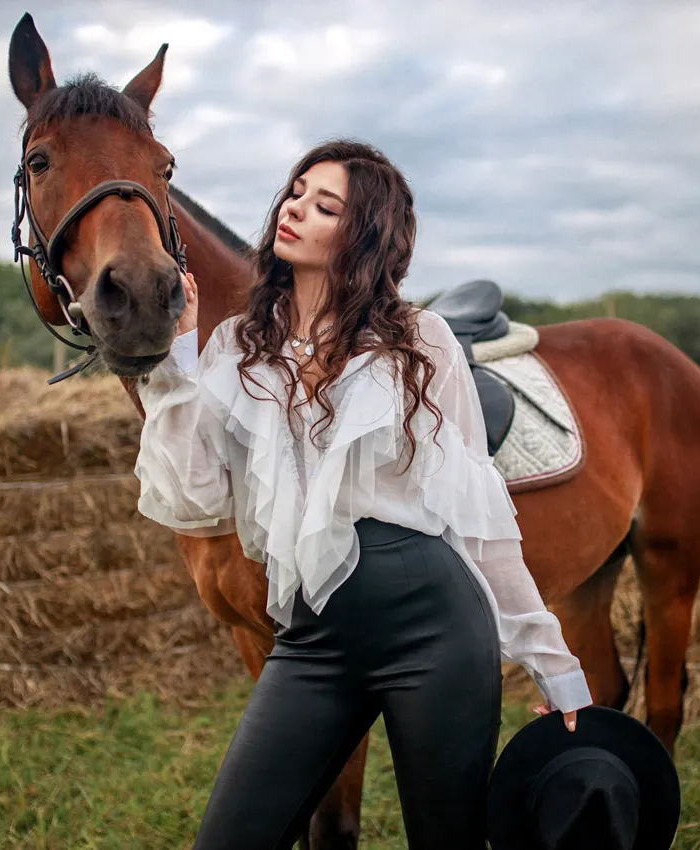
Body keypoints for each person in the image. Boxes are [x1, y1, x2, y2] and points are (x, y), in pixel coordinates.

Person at [132, 139, 593, 850]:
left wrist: (556, 668)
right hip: (313, 640)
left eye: (325, 205)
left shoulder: (421, 341)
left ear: (363, 235)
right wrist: (177, 357)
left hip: (435, 630)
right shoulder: (236, 348)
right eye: (295, 192)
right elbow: (194, 498)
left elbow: (481, 523)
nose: (294, 209)